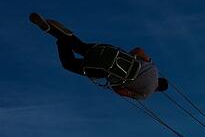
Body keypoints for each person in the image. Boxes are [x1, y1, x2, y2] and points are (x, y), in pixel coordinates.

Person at [29, 13, 168, 100]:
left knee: (80, 47)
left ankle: (61, 34)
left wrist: (127, 57)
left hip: (111, 52)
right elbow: (122, 91)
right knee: (68, 64)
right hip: (104, 69)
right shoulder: (145, 94)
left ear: (160, 79)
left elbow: (139, 49)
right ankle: (60, 39)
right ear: (157, 90)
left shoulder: (153, 68)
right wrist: (113, 84)